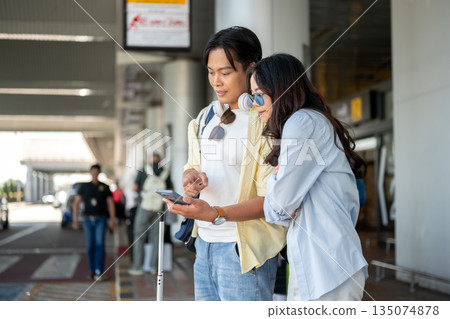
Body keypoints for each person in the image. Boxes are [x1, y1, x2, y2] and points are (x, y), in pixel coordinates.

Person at [164, 26, 287, 301]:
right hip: (204, 245)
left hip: (242, 251)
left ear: (252, 70)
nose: (216, 82)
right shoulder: (205, 117)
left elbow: (272, 200)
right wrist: (191, 177)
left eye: (226, 72)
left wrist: (215, 213)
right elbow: (191, 164)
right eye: (211, 72)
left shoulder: (268, 120)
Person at [247, 53, 368, 300]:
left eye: (259, 95)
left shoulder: (302, 122)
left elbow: (278, 208)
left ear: (280, 90)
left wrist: (276, 180)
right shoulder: (309, 121)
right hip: (322, 268)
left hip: (329, 270)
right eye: (252, 96)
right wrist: (280, 179)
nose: (255, 104)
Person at [128, 154, 170, 275]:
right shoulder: (165, 172)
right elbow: (170, 188)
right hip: (159, 208)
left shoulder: (143, 170)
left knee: (139, 236)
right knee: (157, 237)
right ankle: (153, 267)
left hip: (144, 207)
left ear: (149, 160)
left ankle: (138, 267)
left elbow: (135, 188)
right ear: (160, 160)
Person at [73, 164, 116, 281]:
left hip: (101, 219)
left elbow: (111, 204)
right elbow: (76, 203)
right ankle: (92, 271)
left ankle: (99, 271)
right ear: (90, 172)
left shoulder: (105, 187)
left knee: (100, 245)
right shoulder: (84, 186)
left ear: (99, 173)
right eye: (93, 171)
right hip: (87, 219)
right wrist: (75, 219)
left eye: (97, 172)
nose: (95, 174)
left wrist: (112, 220)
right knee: (90, 245)